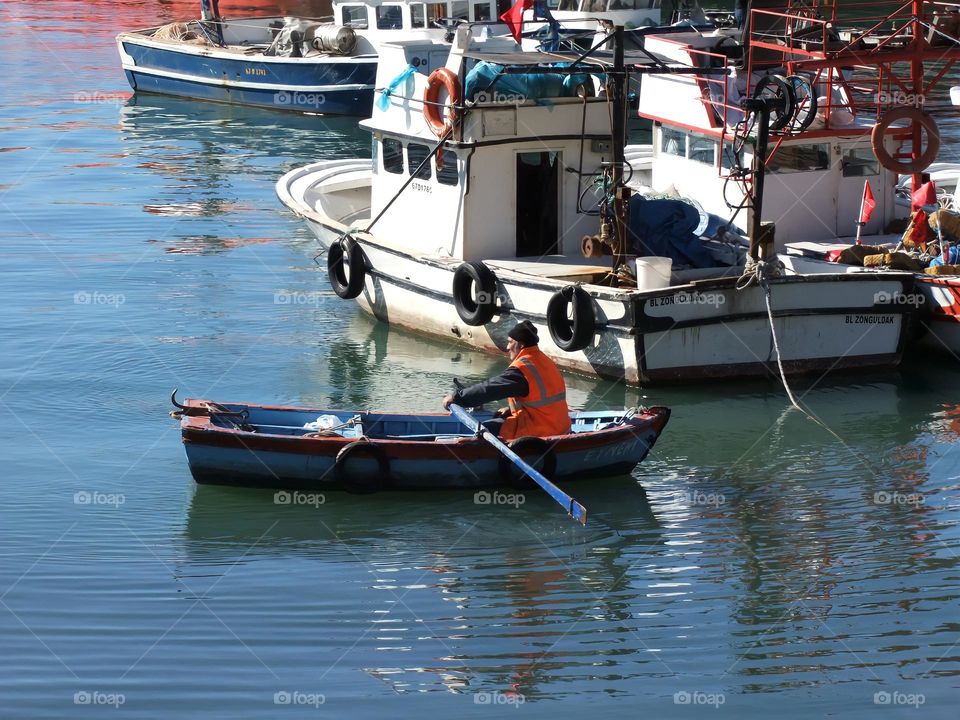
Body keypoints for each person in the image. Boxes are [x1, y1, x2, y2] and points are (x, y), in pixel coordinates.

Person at [442, 320, 571, 440]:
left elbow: (490, 389)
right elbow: (542, 400)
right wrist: (511, 409)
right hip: (561, 427)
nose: (507, 347)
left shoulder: (522, 369)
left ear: (520, 345)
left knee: (485, 429)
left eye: (510, 342)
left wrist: (458, 398)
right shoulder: (544, 360)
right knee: (499, 417)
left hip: (541, 432)